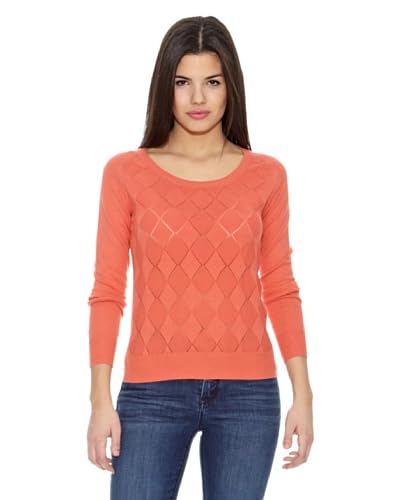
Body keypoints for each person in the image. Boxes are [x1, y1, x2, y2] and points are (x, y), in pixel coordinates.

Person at [86, 15, 314, 500]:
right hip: (150, 393)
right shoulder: (125, 173)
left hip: (249, 394)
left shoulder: (267, 175)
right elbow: (107, 291)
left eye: (212, 82)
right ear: (164, 88)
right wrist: (99, 399)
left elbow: (279, 284)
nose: (197, 98)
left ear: (231, 87)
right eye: (182, 82)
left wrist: (304, 393)